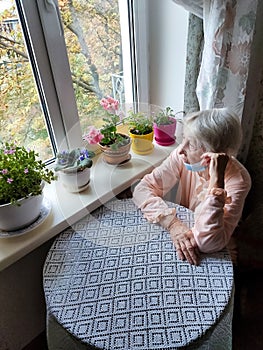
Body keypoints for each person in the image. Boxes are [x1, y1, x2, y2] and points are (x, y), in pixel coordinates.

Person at [132, 108, 251, 265]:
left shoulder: (238, 181)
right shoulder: (181, 157)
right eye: (184, 139)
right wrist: (173, 224)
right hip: (183, 234)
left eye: (192, 144)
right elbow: (141, 189)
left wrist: (216, 185)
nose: (181, 149)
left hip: (216, 254)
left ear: (213, 153)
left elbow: (208, 243)